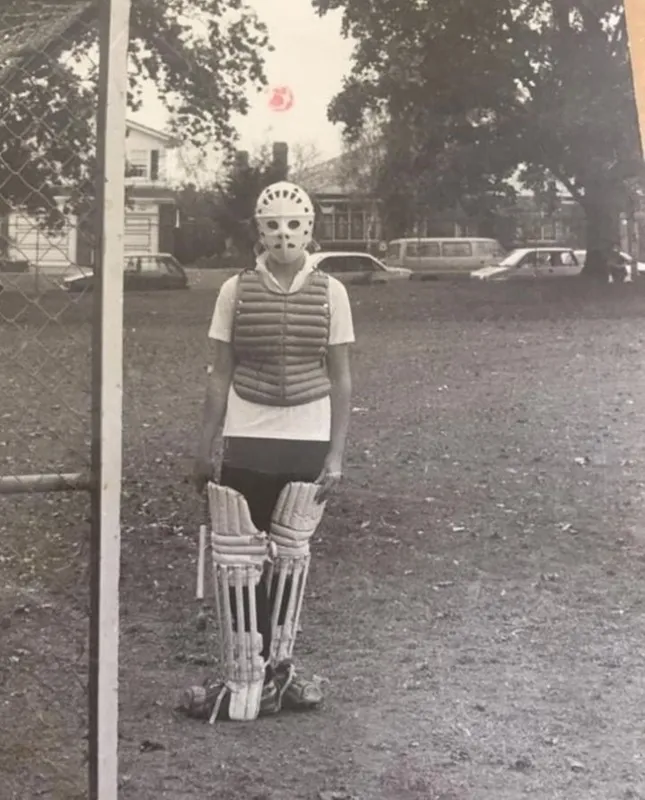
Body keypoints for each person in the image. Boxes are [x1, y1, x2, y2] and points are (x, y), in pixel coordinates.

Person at [188, 180, 354, 720]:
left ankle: (278, 673)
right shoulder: (235, 290)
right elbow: (220, 373)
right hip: (249, 433)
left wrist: (336, 455)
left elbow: (341, 377)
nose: (284, 235)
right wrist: (204, 447)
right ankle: (245, 677)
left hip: (307, 435)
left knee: (289, 560)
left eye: (294, 224)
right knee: (241, 559)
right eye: (273, 225)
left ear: (310, 228)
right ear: (259, 231)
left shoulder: (331, 292)